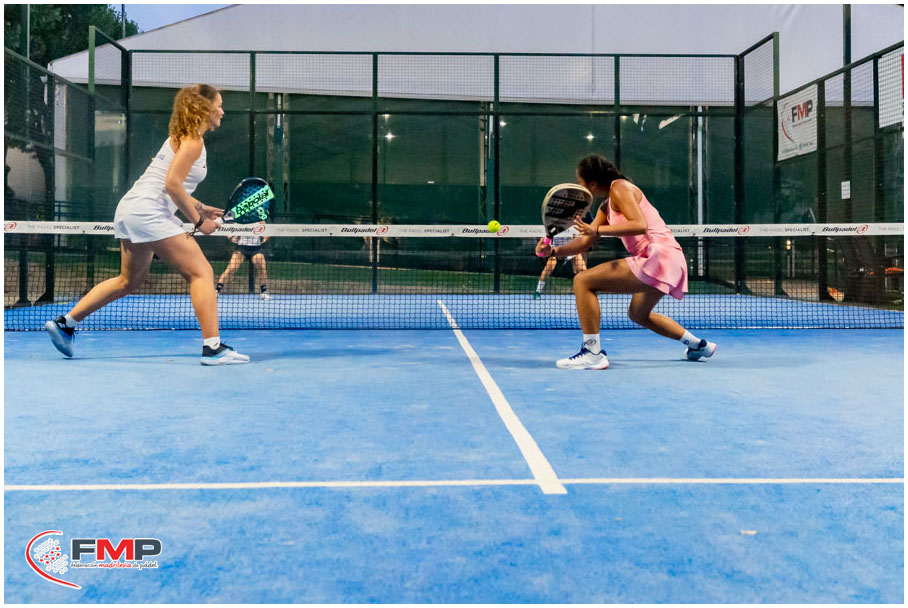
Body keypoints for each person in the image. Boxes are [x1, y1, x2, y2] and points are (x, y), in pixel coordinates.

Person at [44, 84, 250, 365]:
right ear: (204, 107)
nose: (222, 111)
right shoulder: (193, 141)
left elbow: (168, 183)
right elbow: (172, 185)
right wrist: (199, 222)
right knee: (202, 272)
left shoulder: (179, 138)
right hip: (149, 213)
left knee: (128, 280)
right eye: (219, 105)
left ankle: (65, 323)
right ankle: (213, 348)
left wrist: (200, 207)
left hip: (131, 209)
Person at [535, 155, 716, 370]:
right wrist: (553, 251)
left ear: (592, 184)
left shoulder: (620, 188)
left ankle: (592, 353)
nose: (578, 185)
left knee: (583, 280)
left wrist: (597, 229)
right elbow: (585, 241)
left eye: (580, 181)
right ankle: (699, 345)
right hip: (671, 260)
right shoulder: (606, 206)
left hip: (658, 255)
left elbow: (639, 225)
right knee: (638, 314)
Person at [533, 215, 590, 299]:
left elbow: (578, 240)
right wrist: (542, 250)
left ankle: (588, 290)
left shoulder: (572, 226)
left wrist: (577, 249)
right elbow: (541, 247)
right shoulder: (550, 228)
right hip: (555, 252)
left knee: (582, 269)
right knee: (547, 270)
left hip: (570, 250)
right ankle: (538, 291)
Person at [216, 227, 270, 300]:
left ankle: (264, 292)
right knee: (231, 268)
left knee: (262, 268)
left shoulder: (259, 221)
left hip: (256, 248)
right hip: (241, 248)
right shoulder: (240, 221)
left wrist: (266, 236)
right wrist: (231, 237)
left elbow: (267, 231)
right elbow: (226, 229)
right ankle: (217, 291)